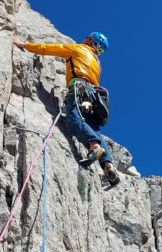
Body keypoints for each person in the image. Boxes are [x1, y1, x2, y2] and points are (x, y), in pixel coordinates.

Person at [12, 32, 120, 187]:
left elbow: (51, 48)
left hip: (79, 89)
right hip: (93, 97)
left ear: (90, 41)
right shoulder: (97, 63)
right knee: (94, 129)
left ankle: (94, 146)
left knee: (74, 120)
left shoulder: (79, 49)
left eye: (87, 38)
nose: (84, 38)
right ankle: (108, 164)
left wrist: (25, 45)